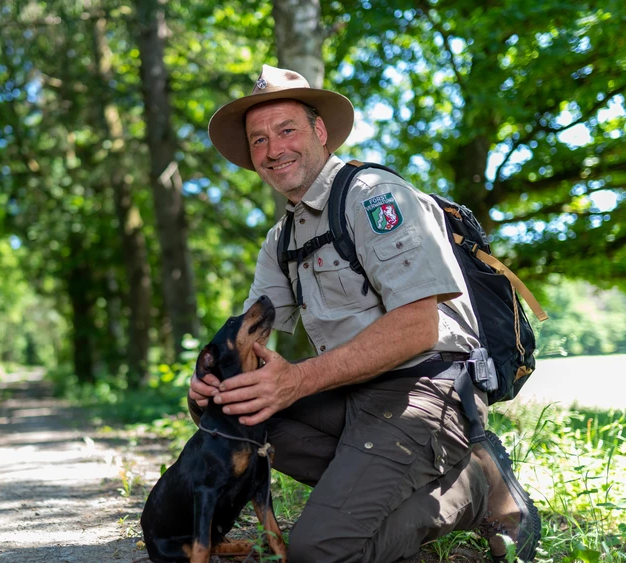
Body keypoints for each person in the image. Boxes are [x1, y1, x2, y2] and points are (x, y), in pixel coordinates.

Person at [188, 64, 540, 563]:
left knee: (318, 552)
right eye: (259, 139)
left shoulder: (373, 197)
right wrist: (211, 379)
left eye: (287, 130)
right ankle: (384, 482)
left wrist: (297, 380)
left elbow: (420, 327)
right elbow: (252, 336)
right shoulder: (281, 239)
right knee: (221, 408)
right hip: (352, 392)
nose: (273, 149)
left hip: (425, 389)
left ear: (319, 132)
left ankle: (472, 488)